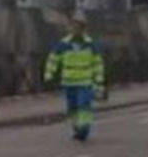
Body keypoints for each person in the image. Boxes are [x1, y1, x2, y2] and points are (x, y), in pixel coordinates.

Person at [43, 14, 106, 142]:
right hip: (68, 82)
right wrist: (49, 74)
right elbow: (53, 59)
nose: (75, 29)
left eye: (78, 26)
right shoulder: (64, 44)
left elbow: (97, 62)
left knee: (83, 105)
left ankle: (83, 128)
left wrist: (99, 79)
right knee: (72, 107)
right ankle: (77, 127)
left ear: (83, 28)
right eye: (73, 26)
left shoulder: (90, 45)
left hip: (85, 81)